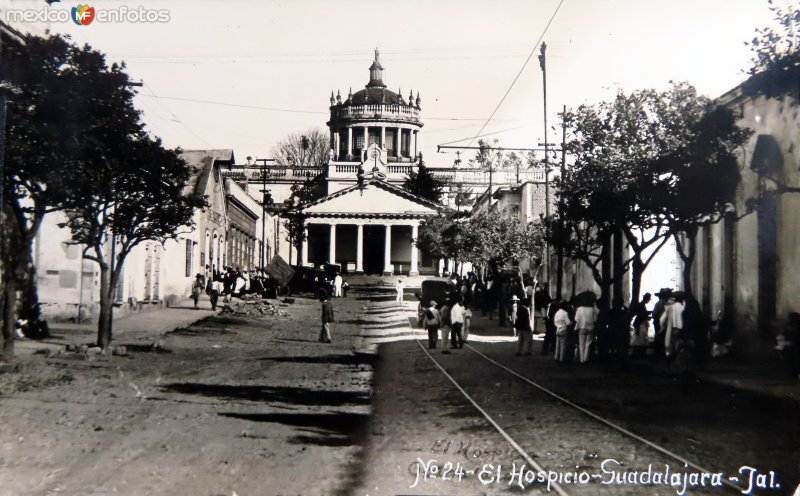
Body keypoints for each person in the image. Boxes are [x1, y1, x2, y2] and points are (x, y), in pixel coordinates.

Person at [660, 292, 685, 358]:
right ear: (682, 299)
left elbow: (662, 319)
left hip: (672, 329)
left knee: (671, 345)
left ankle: (670, 358)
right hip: (682, 330)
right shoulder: (683, 308)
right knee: (679, 345)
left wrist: (662, 326)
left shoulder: (670, 308)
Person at [575, 297, 599, 363]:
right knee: (588, 344)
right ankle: (586, 358)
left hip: (582, 327)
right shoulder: (592, 309)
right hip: (590, 327)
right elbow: (595, 319)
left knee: (581, 344)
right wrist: (595, 306)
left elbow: (576, 319)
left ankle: (581, 359)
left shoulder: (579, 309)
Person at [629, 293, 652, 357]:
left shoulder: (642, 305)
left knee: (639, 340)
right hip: (640, 324)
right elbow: (641, 315)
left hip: (640, 324)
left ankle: (637, 354)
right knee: (639, 341)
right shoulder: (641, 305)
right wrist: (647, 316)